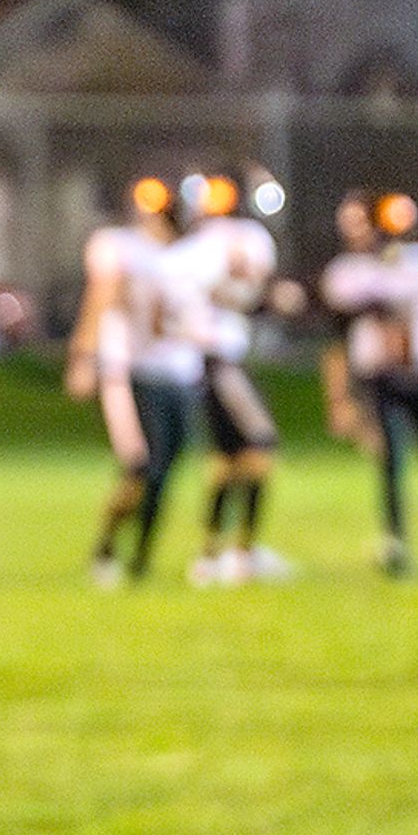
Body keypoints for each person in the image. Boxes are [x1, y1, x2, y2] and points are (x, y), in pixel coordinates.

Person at [320, 191, 418, 577]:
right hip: (380, 380)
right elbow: (337, 344)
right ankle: (396, 545)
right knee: (391, 461)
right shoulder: (351, 273)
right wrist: (339, 399)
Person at [161, 171, 292, 585]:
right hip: (219, 359)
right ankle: (239, 554)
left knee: (227, 460)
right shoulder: (228, 244)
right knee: (260, 447)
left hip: (212, 359)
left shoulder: (183, 252)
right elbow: (242, 292)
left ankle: (212, 555)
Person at [75, 178, 178, 586]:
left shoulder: (181, 253)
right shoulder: (117, 245)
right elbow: (101, 297)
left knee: (163, 468)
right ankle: (109, 543)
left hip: (172, 370)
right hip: (124, 369)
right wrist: (83, 356)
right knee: (141, 465)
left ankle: (140, 557)